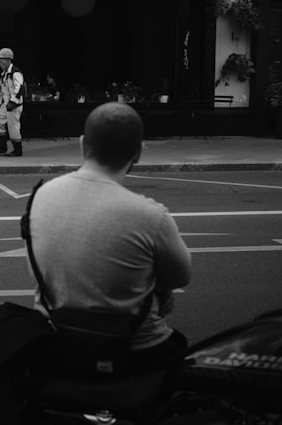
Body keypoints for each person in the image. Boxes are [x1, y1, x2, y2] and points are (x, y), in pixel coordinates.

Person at [28, 102, 192, 373]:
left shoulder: (39, 197)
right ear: (138, 153)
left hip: (56, 342)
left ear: (82, 144)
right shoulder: (151, 215)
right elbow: (180, 277)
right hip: (136, 350)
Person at [0, 47, 25, 157]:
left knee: (13, 127)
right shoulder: (4, 73)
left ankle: (18, 150)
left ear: (8, 60)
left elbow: (20, 88)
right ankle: (2, 147)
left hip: (13, 105)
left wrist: (13, 102)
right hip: (6, 104)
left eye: (1, 60)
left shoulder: (15, 72)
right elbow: (3, 88)